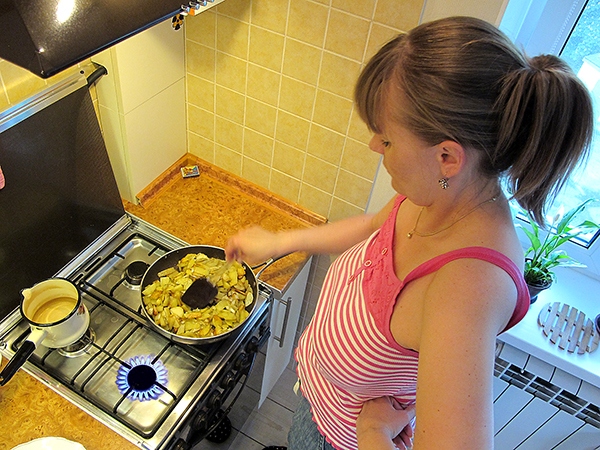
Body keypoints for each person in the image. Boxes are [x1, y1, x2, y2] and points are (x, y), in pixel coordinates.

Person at [225, 16, 593, 450]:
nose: (374, 147)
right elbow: (370, 229)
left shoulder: (468, 286)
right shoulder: (439, 195)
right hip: (320, 403)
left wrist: (373, 433)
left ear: (447, 157)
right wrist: (279, 241)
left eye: (386, 140)